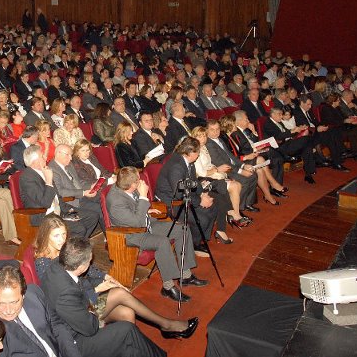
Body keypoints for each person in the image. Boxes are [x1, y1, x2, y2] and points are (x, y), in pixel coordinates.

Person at [34, 216, 197, 337]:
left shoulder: (65, 249)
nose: (62, 239)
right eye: (56, 236)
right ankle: (166, 325)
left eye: (63, 234)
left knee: (127, 312)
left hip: (88, 295)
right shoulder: (44, 263)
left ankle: (130, 345)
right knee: (120, 293)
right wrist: (98, 289)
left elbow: (89, 269)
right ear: (46, 236)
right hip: (79, 309)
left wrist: (107, 278)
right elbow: (65, 296)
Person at [40, 236, 171, 357]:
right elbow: (90, 328)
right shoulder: (65, 293)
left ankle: (154, 337)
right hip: (76, 340)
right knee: (127, 329)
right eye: (90, 261)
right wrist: (94, 302)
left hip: (80, 313)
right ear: (81, 267)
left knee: (126, 312)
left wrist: (99, 288)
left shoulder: (59, 264)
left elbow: (83, 286)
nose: (91, 262)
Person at [107, 166, 206, 303]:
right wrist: (143, 196)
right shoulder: (115, 201)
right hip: (132, 234)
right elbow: (136, 223)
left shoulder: (128, 187)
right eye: (139, 180)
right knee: (162, 242)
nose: (142, 181)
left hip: (146, 224)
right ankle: (168, 287)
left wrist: (147, 211)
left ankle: (186, 275)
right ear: (132, 185)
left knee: (182, 229)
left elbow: (133, 211)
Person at [0, 265, 83, 357]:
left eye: (14, 302)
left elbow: (56, 325)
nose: (8, 310)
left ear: (23, 295)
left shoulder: (34, 293)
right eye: (0, 303)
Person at [19, 144, 99, 238]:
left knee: (92, 217)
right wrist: (49, 181)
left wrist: (67, 210)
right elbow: (45, 203)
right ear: (35, 161)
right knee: (79, 229)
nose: (45, 157)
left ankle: (78, 244)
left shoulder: (44, 171)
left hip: (59, 209)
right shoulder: (27, 177)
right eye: (42, 156)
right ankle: (72, 245)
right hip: (44, 215)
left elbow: (57, 196)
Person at [155, 137, 219, 249]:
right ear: (190, 153)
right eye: (197, 152)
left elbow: (194, 181)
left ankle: (202, 239)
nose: (199, 154)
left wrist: (202, 194)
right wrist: (200, 201)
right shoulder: (176, 167)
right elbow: (179, 194)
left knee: (213, 208)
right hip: (171, 203)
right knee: (202, 219)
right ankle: (194, 246)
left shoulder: (189, 161)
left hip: (184, 196)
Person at [188, 127, 251, 231]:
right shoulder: (195, 150)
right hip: (202, 180)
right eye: (199, 136)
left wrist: (217, 170)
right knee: (235, 185)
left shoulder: (203, 147)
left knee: (237, 184)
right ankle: (234, 215)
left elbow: (209, 164)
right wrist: (217, 169)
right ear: (193, 138)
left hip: (211, 175)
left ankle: (235, 214)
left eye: (204, 136)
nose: (203, 139)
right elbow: (201, 173)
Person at [204, 120, 260, 213]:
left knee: (253, 176)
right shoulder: (209, 143)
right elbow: (220, 163)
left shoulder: (219, 139)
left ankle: (247, 203)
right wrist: (240, 171)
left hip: (231, 167)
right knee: (245, 180)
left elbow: (230, 155)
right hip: (224, 170)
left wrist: (243, 165)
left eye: (217, 129)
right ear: (206, 130)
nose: (216, 132)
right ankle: (237, 208)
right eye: (212, 130)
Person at [49, 143, 104, 233]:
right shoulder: (52, 169)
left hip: (80, 195)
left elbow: (78, 181)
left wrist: (90, 186)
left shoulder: (69, 164)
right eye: (68, 155)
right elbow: (61, 191)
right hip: (70, 200)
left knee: (103, 199)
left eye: (71, 155)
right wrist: (83, 193)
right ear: (58, 153)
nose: (71, 158)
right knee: (100, 209)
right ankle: (110, 237)